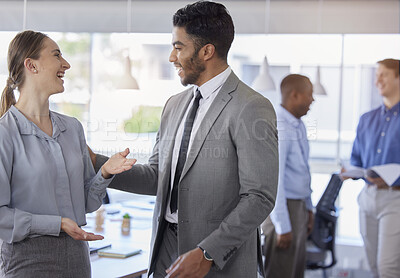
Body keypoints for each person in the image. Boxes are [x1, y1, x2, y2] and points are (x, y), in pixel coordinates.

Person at [90, 1, 278, 277]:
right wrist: (96, 161)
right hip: (165, 247)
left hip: (217, 260)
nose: (171, 57)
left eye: (179, 47)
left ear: (207, 51)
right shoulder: (174, 105)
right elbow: (157, 177)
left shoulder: (251, 107)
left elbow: (259, 197)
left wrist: (207, 252)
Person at [0, 30, 136, 278]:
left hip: (76, 256)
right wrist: (57, 224)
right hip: (27, 260)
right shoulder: (4, 134)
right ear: (31, 65)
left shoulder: (72, 128)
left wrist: (104, 173)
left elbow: (85, 204)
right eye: (56, 55)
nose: (66, 64)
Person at [346, 58, 400, 278]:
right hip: (367, 197)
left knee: (388, 268)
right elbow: (356, 158)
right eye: (376, 74)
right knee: (374, 267)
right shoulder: (366, 119)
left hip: (395, 199)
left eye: (384, 74)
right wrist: (351, 171)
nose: (377, 80)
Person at [261, 74, 314, 278]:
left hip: (297, 205)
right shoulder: (279, 127)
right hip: (284, 209)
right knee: (281, 272)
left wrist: (308, 207)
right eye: (309, 94)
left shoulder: (297, 125)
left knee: (295, 271)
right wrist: (283, 226)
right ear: (294, 95)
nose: (313, 99)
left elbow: (302, 170)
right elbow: (276, 179)